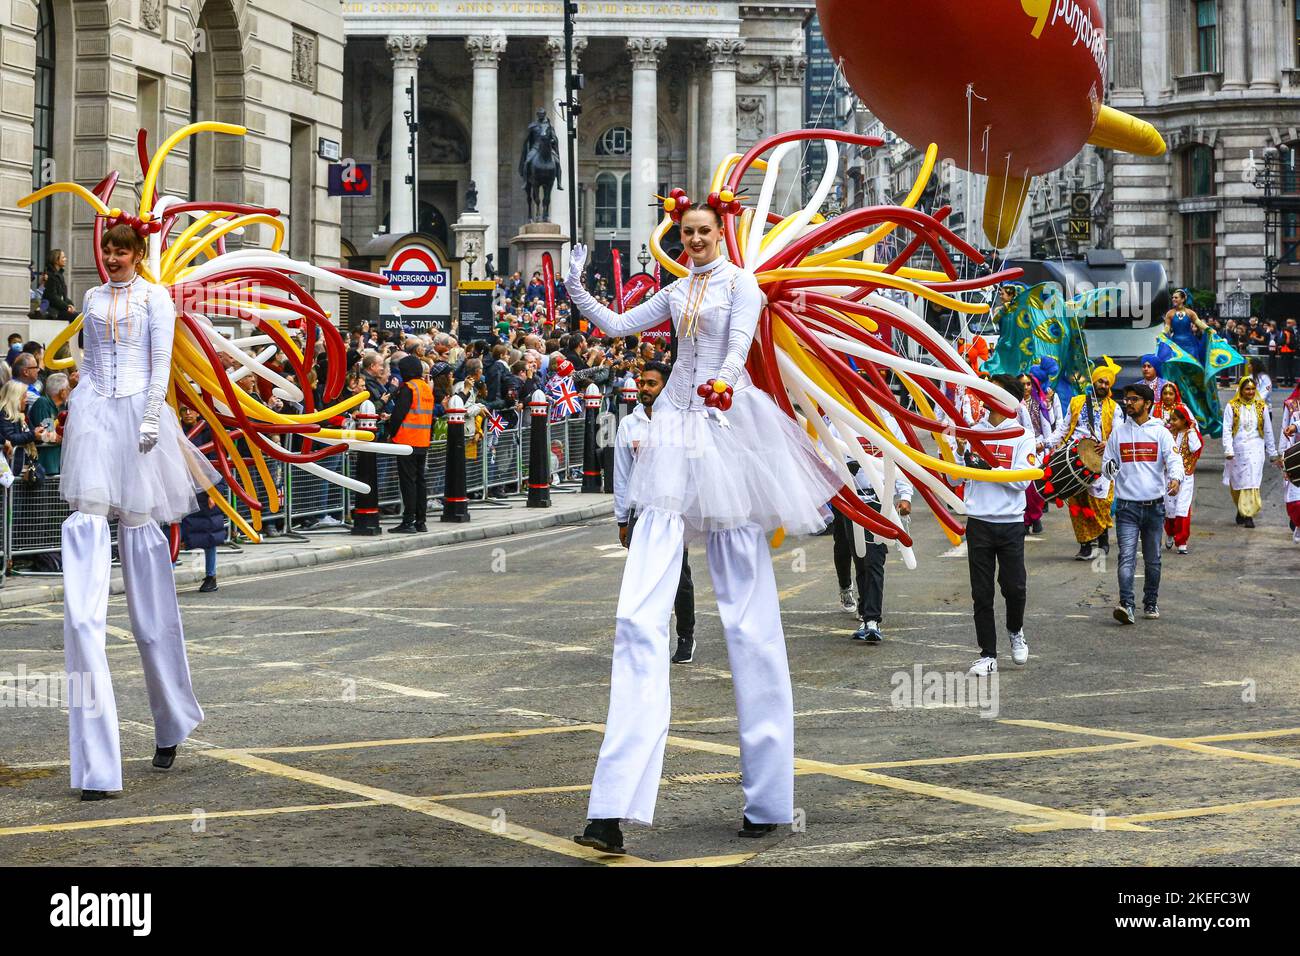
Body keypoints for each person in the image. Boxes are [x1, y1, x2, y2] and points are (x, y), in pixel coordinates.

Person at [563, 198, 840, 854]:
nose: (693, 240)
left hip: (728, 431)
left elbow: (738, 346)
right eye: (685, 233)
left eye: (703, 231)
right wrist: (575, 286)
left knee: (750, 623)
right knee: (636, 619)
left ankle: (769, 799)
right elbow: (618, 323)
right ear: (678, 237)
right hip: (673, 438)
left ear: (722, 232)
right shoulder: (675, 289)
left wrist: (719, 388)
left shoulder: (743, 286)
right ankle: (611, 809)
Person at [58, 222, 218, 800]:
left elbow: (158, 365)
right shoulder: (93, 297)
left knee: (149, 603)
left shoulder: (156, 297)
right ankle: (96, 765)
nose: (112, 257)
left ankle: (171, 719)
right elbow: (90, 359)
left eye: (121, 250)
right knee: (83, 609)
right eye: (107, 250)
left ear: (138, 253)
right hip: (97, 420)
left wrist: (152, 418)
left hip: (141, 425)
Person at [947, 374, 1036, 676]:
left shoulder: (1022, 435)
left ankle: (1016, 631)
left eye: (993, 392)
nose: (985, 397)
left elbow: (1023, 481)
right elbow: (955, 479)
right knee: (981, 592)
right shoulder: (973, 432)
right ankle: (987, 654)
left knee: (1014, 587)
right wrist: (960, 452)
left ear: (1009, 400)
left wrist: (990, 468)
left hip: (1010, 523)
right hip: (980, 523)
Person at [614, 360, 696, 664]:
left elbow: (692, 471)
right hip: (640, 513)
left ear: (664, 387)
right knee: (642, 578)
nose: (644, 389)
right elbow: (621, 476)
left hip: (672, 511)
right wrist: (622, 520)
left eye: (651, 384)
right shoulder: (628, 424)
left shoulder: (680, 422)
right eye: (641, 383)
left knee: (679, 577)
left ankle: (686, 635)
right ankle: (647, 637)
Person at [832, 406, 913, 644]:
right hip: (852, 500)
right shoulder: (841, 419)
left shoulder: (888, 423)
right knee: (860, 556)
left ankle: (871, 619)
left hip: (881, 499)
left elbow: (901, 460)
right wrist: (845, 468)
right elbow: (827, 454)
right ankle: (866, 609)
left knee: (874, 557)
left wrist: (905, 496)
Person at [1104, 382, 1184, 624]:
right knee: (1126, 557)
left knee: (1153, 559)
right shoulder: (1117, 433)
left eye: (1134, 399)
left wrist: (1176, 478)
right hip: (1127, 507)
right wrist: (1108, 467)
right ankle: (1126, 605)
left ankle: (1150, 602)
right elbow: (1108, 466)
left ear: (1147, 404)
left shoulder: (1160, 432)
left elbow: (1174, 458)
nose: (1128, 403)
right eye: (1127, 399)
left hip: (1155, 506)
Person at [1059, 357, 1121, 560]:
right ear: (1093, 381)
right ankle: (1085, 545)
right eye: (1100, 381)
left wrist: (1108, 444)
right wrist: (1047, 445)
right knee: (1077, 502)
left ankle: (1102, 538)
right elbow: (1064, 428)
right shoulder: (1076, 402)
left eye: (1107, 383)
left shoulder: (1114, 408)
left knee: (1100, 503)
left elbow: (1120, 434)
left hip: (1102, 461)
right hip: (1075, 459)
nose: (1103, 385)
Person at [177, 405, 227, 591]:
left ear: (198, 412)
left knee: (209, 536)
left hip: (204, 490)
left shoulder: (208, 433)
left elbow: (217, 464)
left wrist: (215, 492)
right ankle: (167, 575)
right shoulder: (175, 431)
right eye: (183, 411)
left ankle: (211, 576)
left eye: (190, 410)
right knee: (174, 534)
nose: (188, 413)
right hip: (181, 489)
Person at [1222, 376, 1278, 528]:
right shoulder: (1231, 406)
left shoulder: (1262, 407)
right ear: (1241, 390)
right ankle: (1241, 510)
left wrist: (1272, 452)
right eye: (1247, 389)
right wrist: (1228, 449)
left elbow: (1268, 431)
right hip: (1237, 449)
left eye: (1253, 389)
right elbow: (1226, 429)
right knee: (1237, 483)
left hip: (1256, 448)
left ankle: (1248, 514)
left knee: (1251, 481)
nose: (1251, 392)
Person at [385, 354, 433, 533]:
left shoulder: (408, 388)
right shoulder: (425, 388)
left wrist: (391, 432)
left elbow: (399, 414)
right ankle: (421, 521)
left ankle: (408, 521)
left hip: (407, 440)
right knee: (421, 481)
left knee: (408, 483)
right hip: (422, 440)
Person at [1017, 357, 1062, 536]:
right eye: (1023, 384)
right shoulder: (1015, 405)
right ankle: (1030, 519)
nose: (1026, 387)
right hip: (1023, 447)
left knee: (1037, 486)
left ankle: (1033, 517)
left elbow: (1050, 423)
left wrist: (1048, 404)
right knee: (1025, 487)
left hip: (1041, 446)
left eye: (1029, 384)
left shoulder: (1041, 401)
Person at [1161, 403, 1202, 555]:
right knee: (1169, 508)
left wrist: (1191, 430)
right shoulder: (1167, 433)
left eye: (1175, 420)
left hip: (1186, 477)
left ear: (1184, 420)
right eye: (1171, 419)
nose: (1172, 422)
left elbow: (1195, 448)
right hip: (1169, 476)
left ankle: (1182, 540)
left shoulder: (1191, 434)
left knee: (1182, 508)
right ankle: (1170, 532)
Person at [29, 370, 69, 476]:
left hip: (56, 464)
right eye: (68, 389)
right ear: (62, 392)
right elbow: (48, 435)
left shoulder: (60, 408)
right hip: (45, 465)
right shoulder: (43, 403)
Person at [1278, 383, 1300, 544]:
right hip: (1296, 458)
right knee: (1296, 500)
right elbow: (1286, 430)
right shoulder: (1291, 405)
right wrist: (1283, 456)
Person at [1162, 288, 1208, 362]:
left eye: (1176, 297)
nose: (1173, 299)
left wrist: (1209, 329)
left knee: (1191, 365)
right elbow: (1167, 326)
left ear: (1183, 299)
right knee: (1177, 365)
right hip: (1176, 344)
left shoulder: (1190, 313)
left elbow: (1199, 323)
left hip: (1190, 344)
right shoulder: (1170, 313)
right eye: (1172, 297)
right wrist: (1163, 332)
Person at [43, 248, 77, 321]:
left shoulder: (59, 275)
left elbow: (63, 296)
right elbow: (52, 297)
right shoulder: (50, 276)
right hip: (53, 312)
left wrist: (71, 305)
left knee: (82, 317)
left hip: (60, 309)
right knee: (78, 319)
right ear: (56, 260)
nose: (66, 259)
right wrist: (67, 307)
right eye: (63, 257)